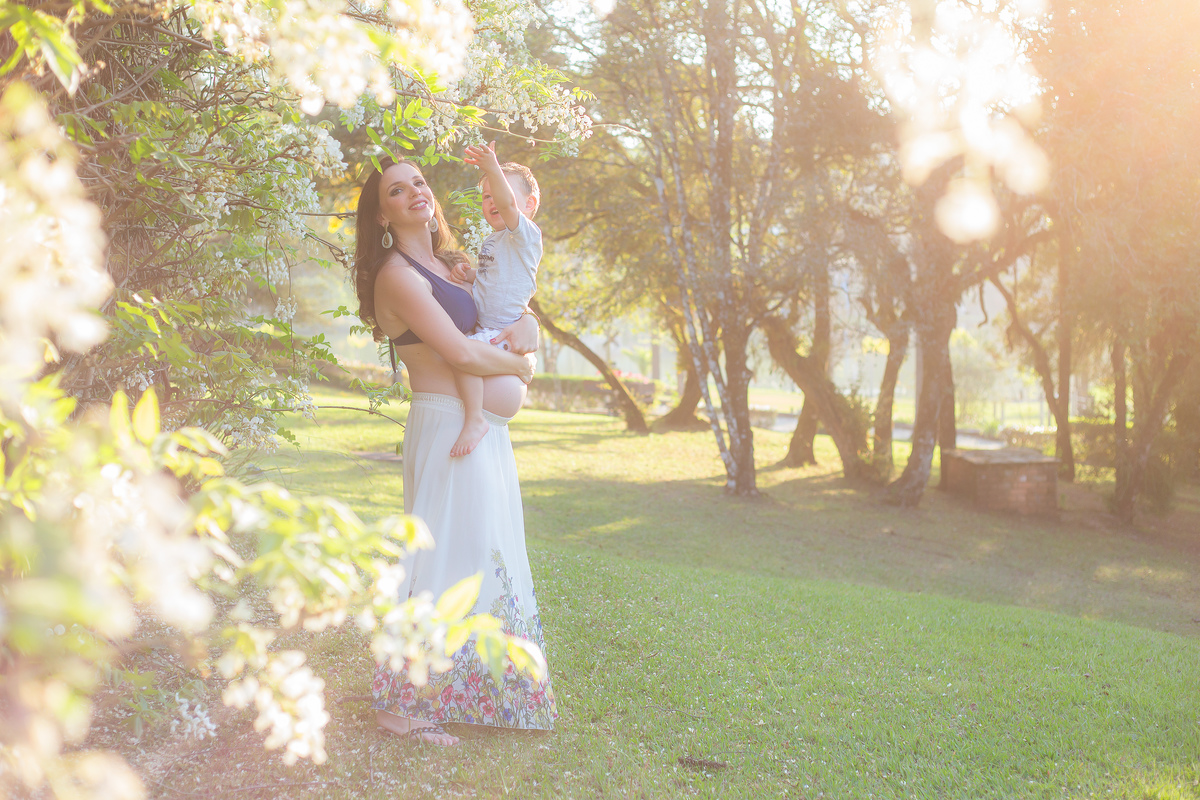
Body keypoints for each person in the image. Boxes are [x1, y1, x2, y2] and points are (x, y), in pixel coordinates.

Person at [351, 157, 558, 746]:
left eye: (419, 181)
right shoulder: (397, 275)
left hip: (483, 431)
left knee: (476, 555)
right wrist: (521, 365)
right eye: (398, 189)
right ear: (384, 213)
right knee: (436, 562)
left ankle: (465, 686)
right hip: (448, 429)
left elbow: (504, 314)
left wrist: (531, 333)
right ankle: (400, 707)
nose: (415, 191)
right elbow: (462, 355)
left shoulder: (453, 263)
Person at [446, 142, 543, 458]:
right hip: (487, 328)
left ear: (529, 204)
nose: (492, 201)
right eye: (485, 196)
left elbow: (509, 207)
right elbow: (492, 279)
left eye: (498, 192)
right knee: (462, 355)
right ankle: (474, 416)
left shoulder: (525, 234)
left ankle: (475, 419)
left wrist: (491, 167)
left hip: (502, 331)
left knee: (464, 356)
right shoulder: (492, 241)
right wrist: (470, 275)